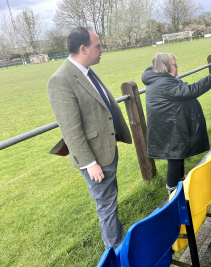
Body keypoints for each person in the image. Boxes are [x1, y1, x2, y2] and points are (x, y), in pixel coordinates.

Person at [47, 27, 132, 249]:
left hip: (106, 148)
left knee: (110, 201)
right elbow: (70, 129)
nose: (102, 49)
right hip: (94, 159)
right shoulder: (61, 80)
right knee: (106, 205)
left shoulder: (86, 70)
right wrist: (90, 163)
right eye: (98, 46)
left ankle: (117, 242)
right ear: (83, 49)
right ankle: (116, 250)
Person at [142, 53, 211, 193]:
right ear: (166, 67)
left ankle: (180, 183)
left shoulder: (162, 80)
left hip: (169, 127)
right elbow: (189, 91)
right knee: (175, 159)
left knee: (177, 157)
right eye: (174, 64)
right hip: (169, 129)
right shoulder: (164, 83)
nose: (177, 66)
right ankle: (174, 193)